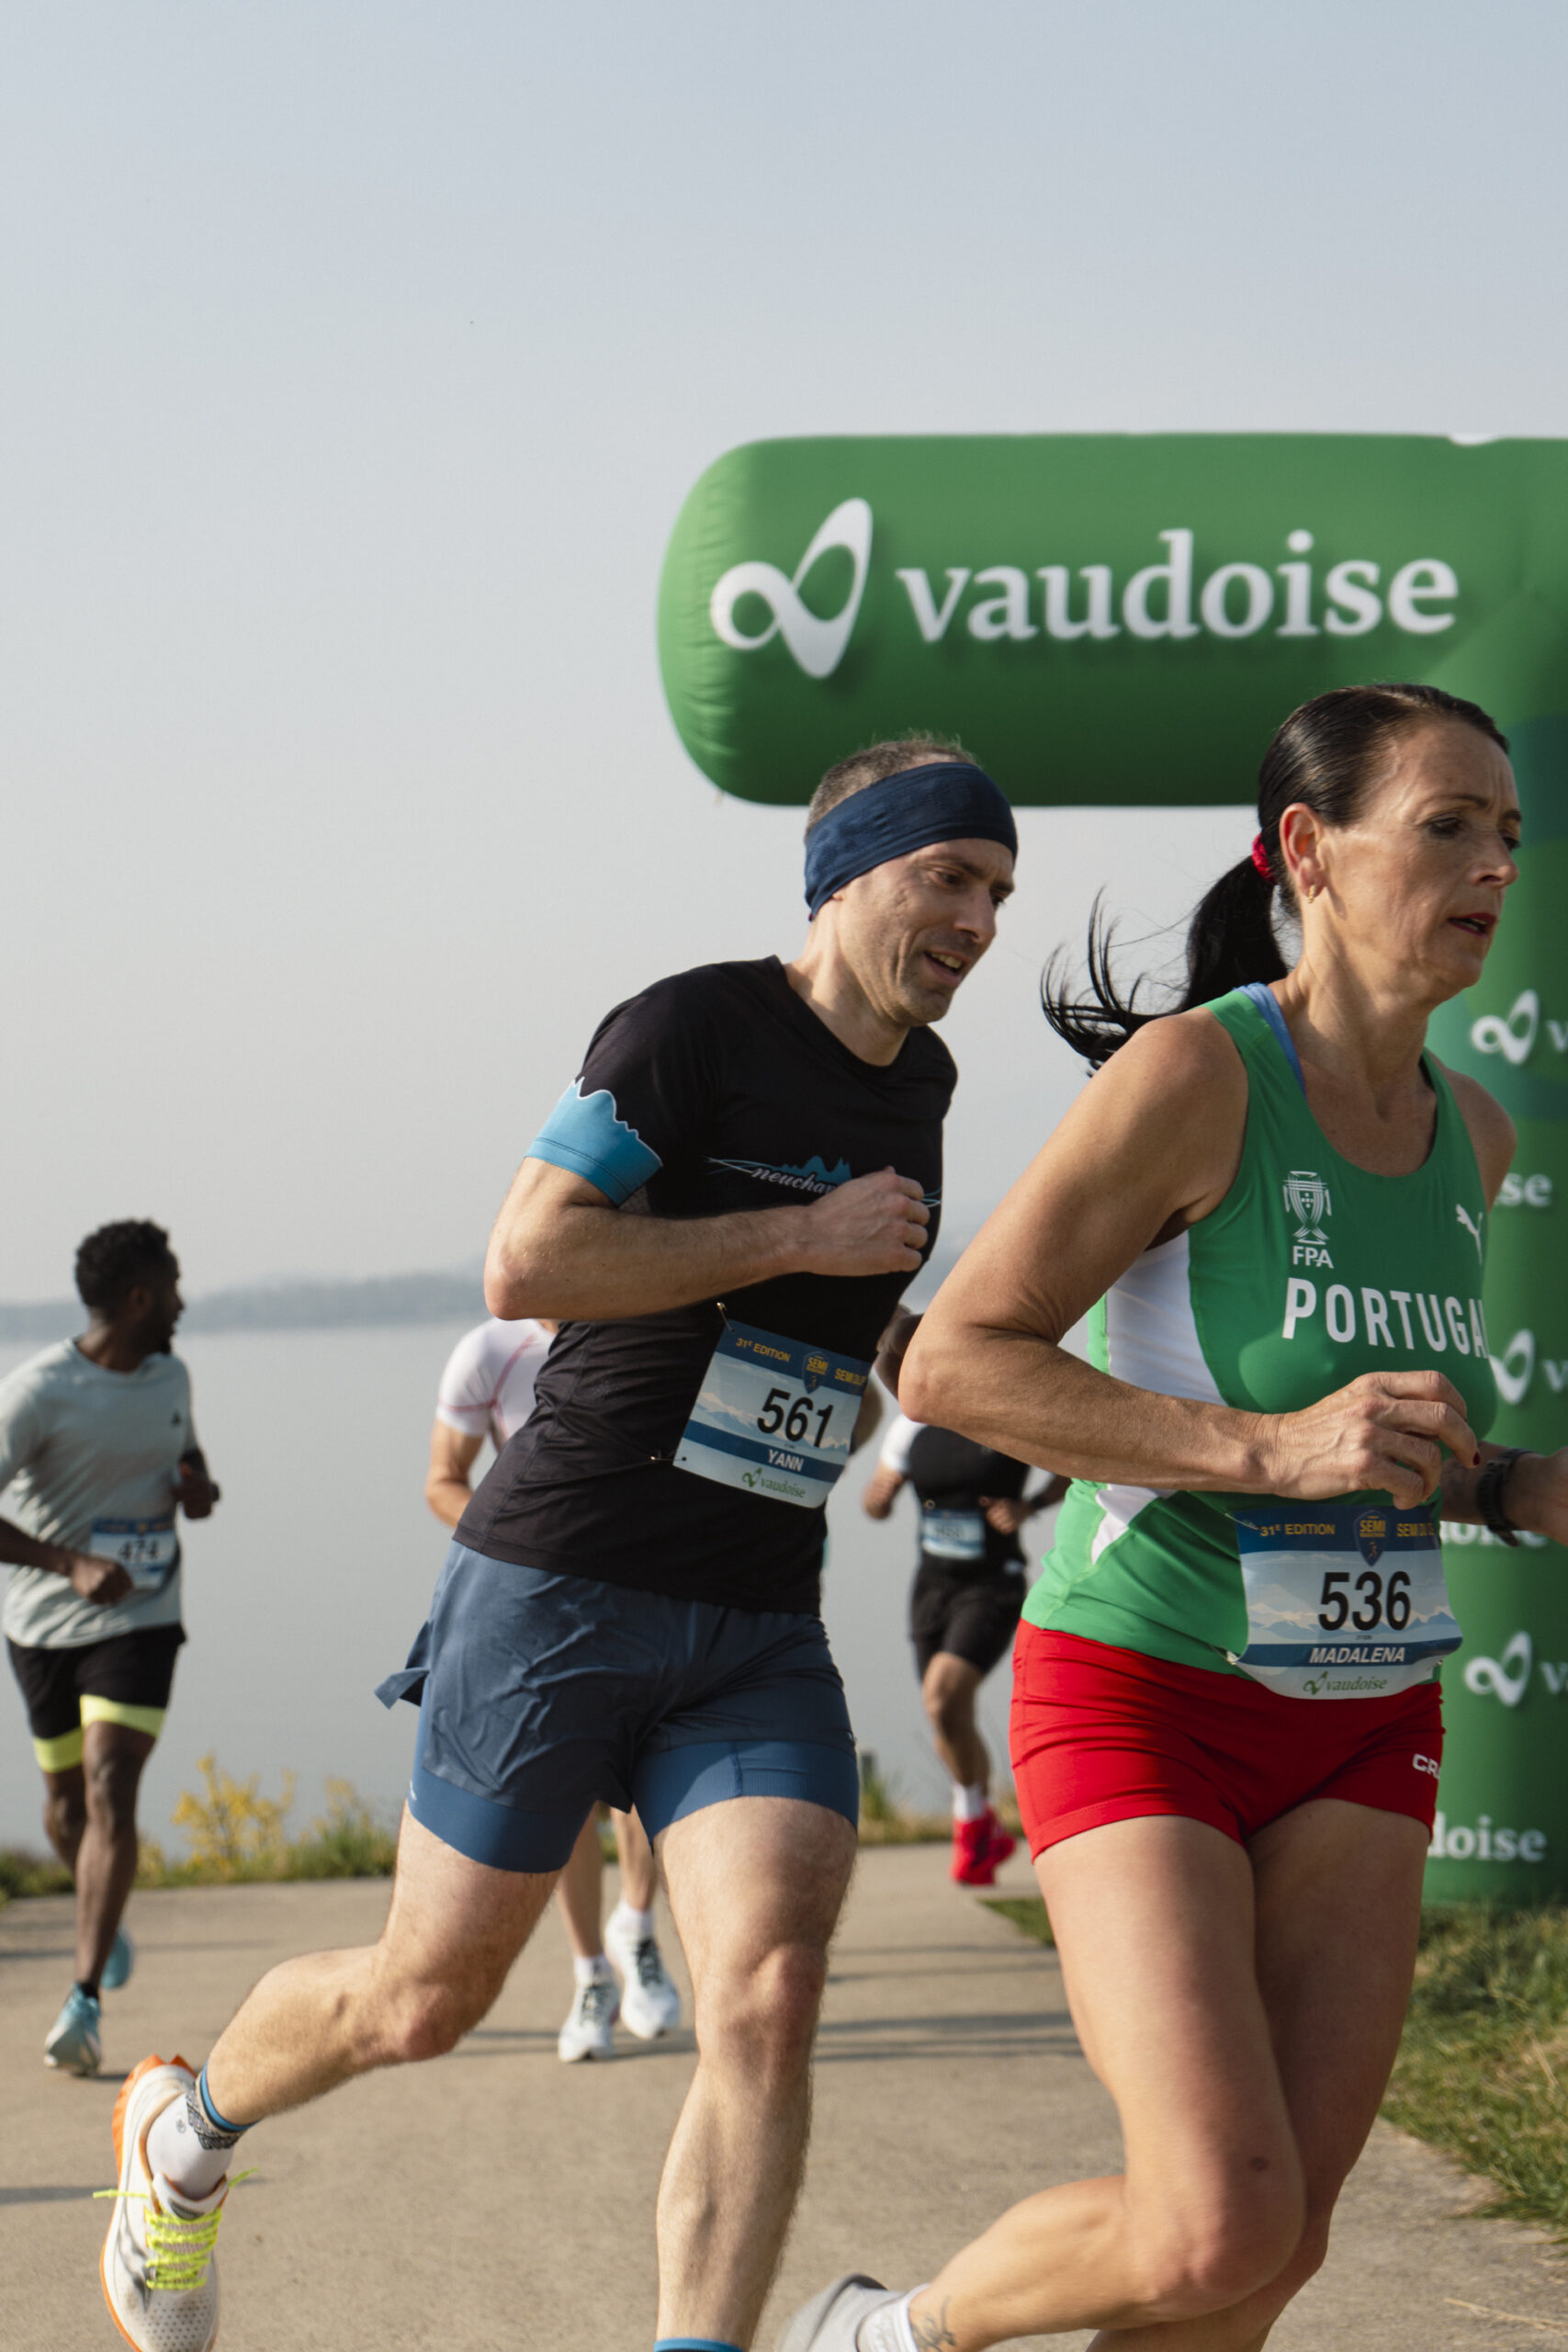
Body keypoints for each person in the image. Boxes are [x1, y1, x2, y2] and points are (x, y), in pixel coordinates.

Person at [99, 739, 1018, 2352]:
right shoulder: (687, 1028)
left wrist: (931, 1368)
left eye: (998, 893)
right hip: (565, 1579)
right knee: (421, 2001)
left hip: (755, 1614)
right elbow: (526, 1260)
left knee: (767, 1995)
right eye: (947, 877)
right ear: (842, 874)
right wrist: (802, 1230)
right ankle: (183, 2137)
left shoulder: (921, 1086)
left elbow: (831, 1323)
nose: (977, 922)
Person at [784, 681, 1568, 2352]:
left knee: (1272, 2249)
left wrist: (1509, 1485)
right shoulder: (1198, 1074)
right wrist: (1270, 1451)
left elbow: (1386, 1443)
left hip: (1367, 1714)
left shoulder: (1475, 1134)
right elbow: (957, 1362)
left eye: (1506, 832)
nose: (1494, 864)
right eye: (1444, 826)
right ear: (1307, 850)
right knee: (1211, 2214)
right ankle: (877, 2336)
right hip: (1145, 1685)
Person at [425, 1309, 681, 2058]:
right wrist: (524, 1540)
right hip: (543, 1599)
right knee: (568, 1797)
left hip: (650, 1584)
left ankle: (636, 1926)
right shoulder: (489, 1350)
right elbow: (443, 1481)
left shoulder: (654, 1318)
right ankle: (591, 1974)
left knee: (644, 1777)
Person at [0, 1220, 220, 2078]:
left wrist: (197, 1488)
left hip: (143, 1616)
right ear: (137, 1298)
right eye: (171, 1288)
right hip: (44, 1624)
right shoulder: (37, 1392)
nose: (181, 1303)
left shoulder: (172, 1376)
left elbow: (187, 1456)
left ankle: (83, 1999)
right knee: (67, 1810)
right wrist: (69, 1563)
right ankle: (105, 1907)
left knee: (109, 1784)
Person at [862, 1397, 1065, 1885]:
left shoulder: (1009, 1412)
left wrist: (1030, 1506)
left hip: (993, 1583)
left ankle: (970, 1822)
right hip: (932, 1588)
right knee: (947, 1717)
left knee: (943, 1697)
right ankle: (982, 1819)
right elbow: (873, 1504)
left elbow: (1074, 1465)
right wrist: (881, 1498)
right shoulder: (911, 1425)